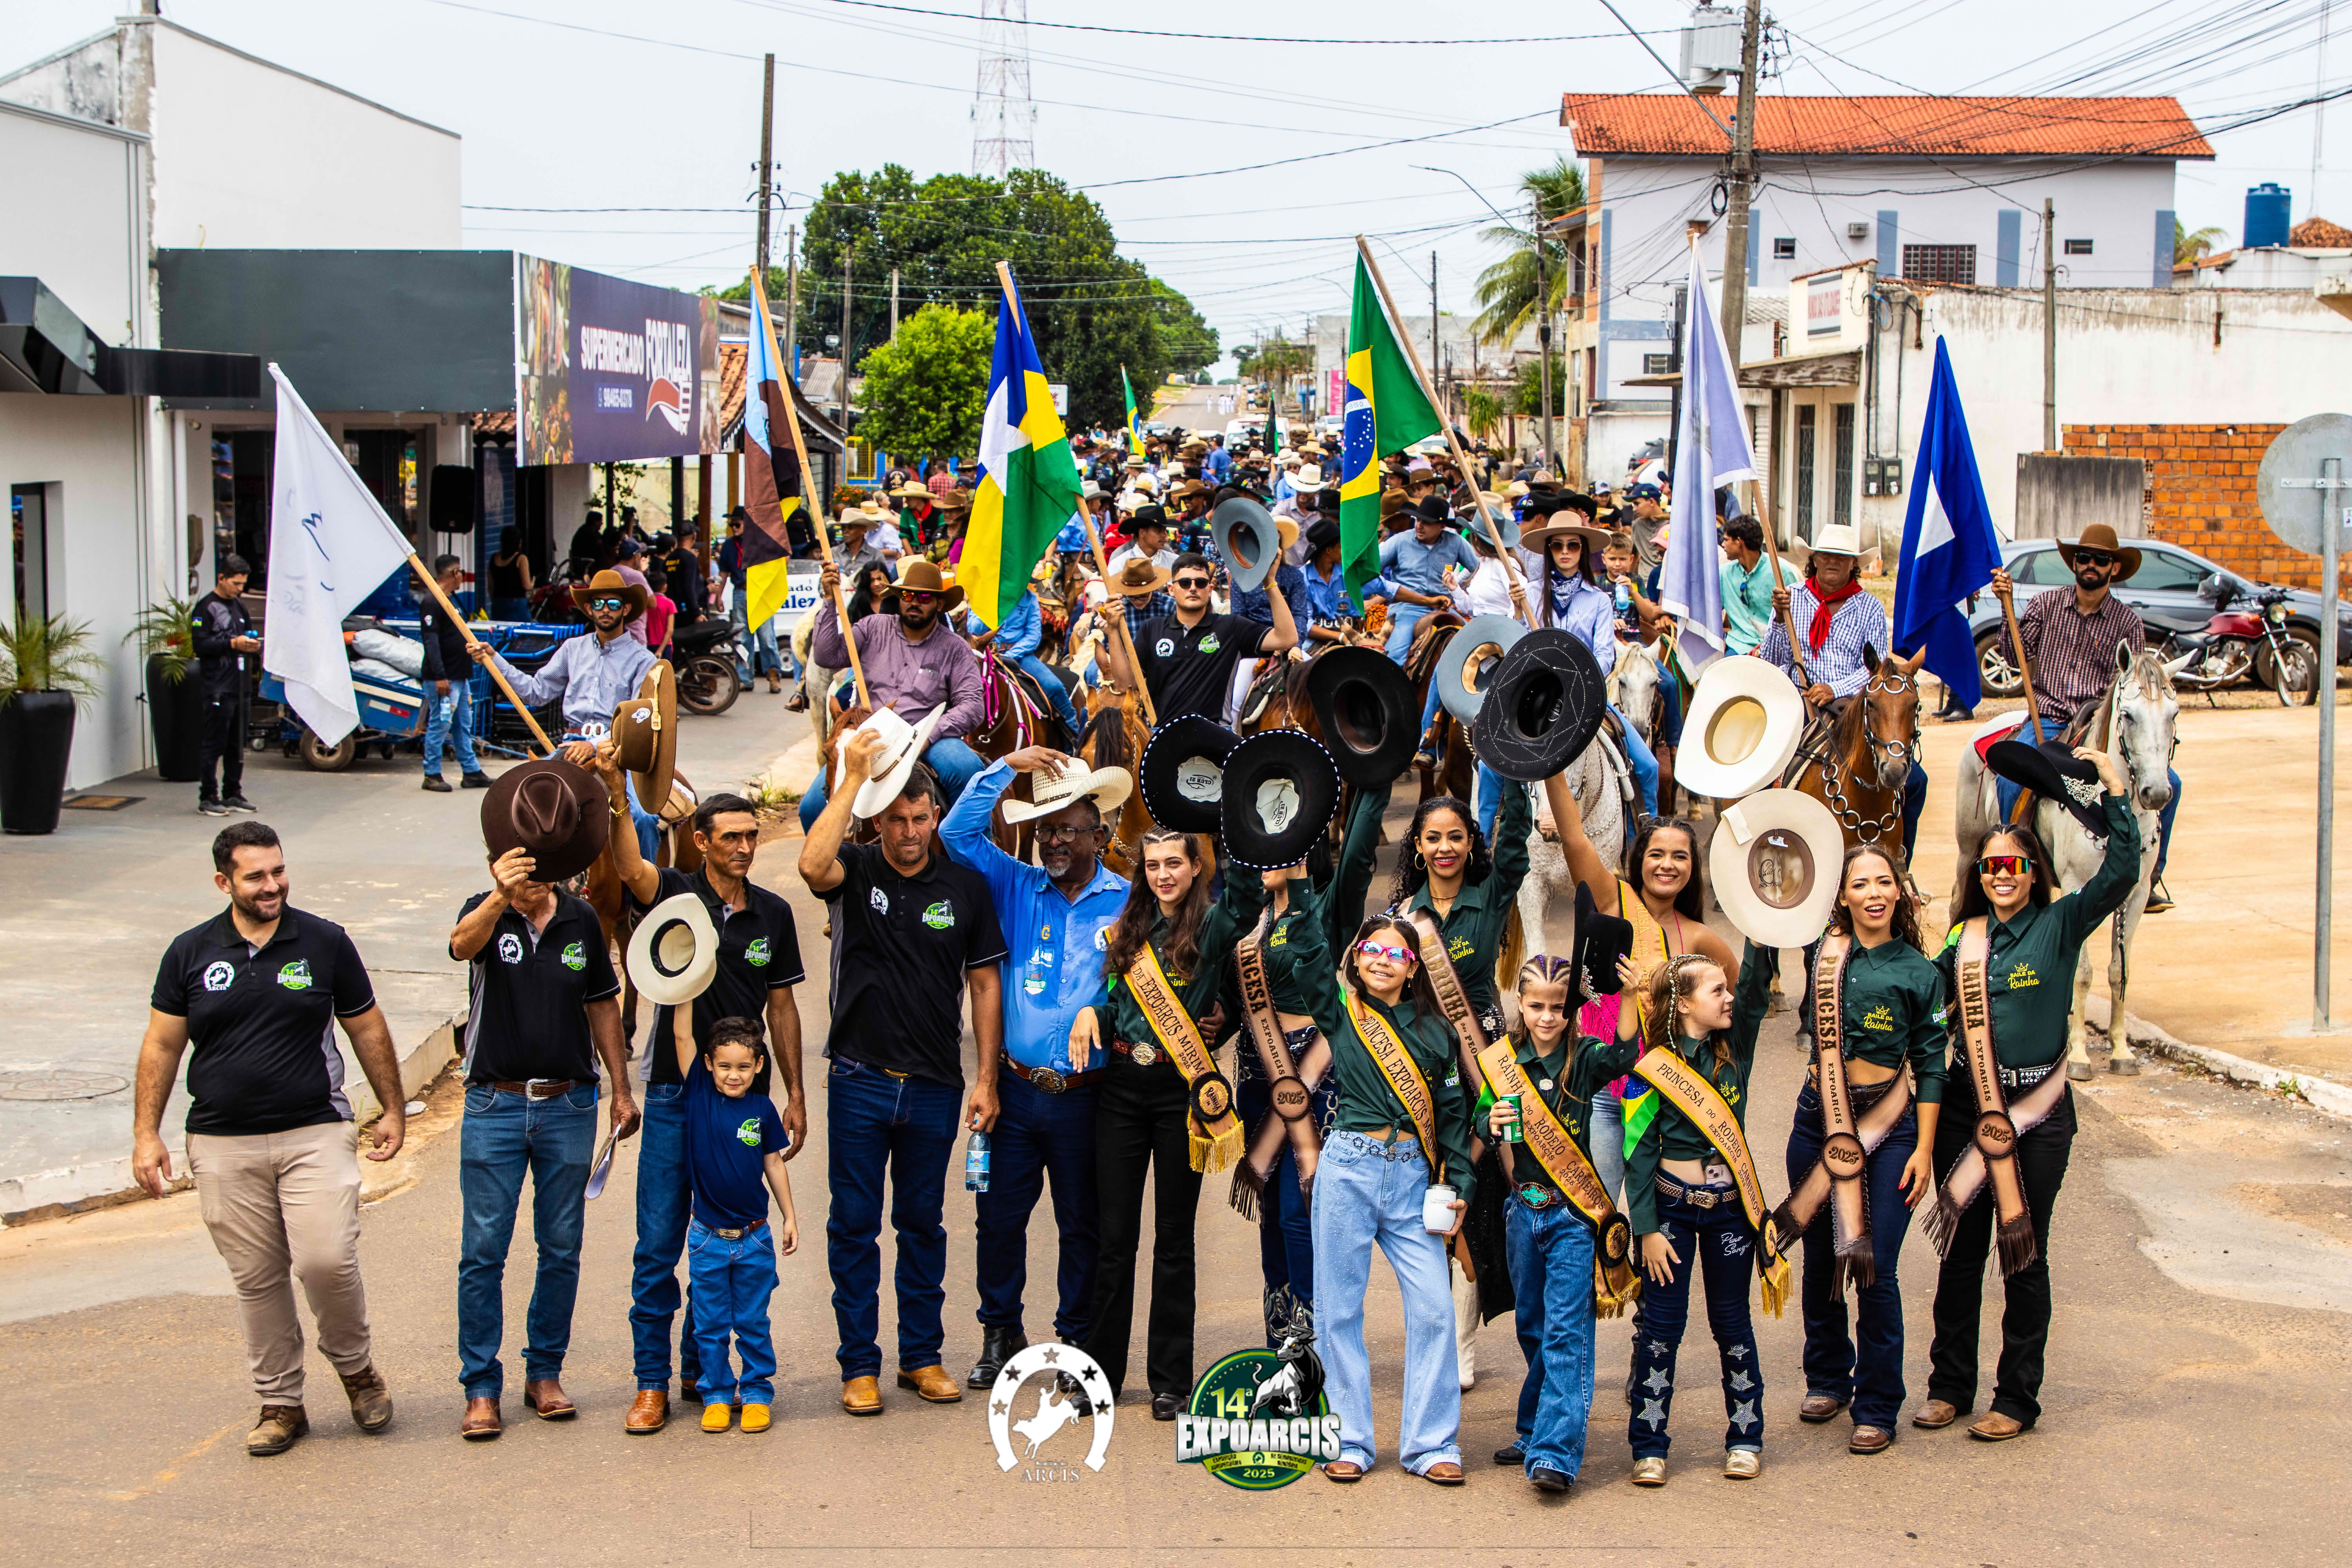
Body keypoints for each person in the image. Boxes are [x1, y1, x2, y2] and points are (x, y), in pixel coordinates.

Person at [133, 822, 404, 1456]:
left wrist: (393, 1107)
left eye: (278, 871)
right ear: (223, 882)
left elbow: (366, 1027)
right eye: (255, 876)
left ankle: (357, 1370)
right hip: (222, 1142)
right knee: (257, 1278)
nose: (272, 885)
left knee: (326, 1260)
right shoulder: (190, 953)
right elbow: (162, 1045)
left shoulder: (324, 942)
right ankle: (281, 1403)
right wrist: (146, 1134)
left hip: (314, 1130)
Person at [1919, 751, 2139, 1442]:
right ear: (1979, 876)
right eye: (1991, 867)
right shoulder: (1963, 939)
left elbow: (2122, 871)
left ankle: (2016, 1397)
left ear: (2035, 871)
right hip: (1968, 1108)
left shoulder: (2063, 923)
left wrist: (2117, 791)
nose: (2002, 875)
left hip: (2039, 1114)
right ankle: (1949, 1386)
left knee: (2024, 1251)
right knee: (1961, 1253)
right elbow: (1922, 998)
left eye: (2015, 865)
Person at [798, 730, 1007, 1416]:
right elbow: (811, 864)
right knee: (854, 1227)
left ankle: (921, 1356)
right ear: (878, 821)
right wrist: (853, 779)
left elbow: (984, 985)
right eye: (897, 820)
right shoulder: (856, 871)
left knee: (923, 1225)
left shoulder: (967, 888)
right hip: (859, 1079)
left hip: (935, 1085)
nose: (911, 833)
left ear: (934, 817)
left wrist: (987, 1079)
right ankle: (859, 1365)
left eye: (920, 819)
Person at [595, 768, 808, 1434]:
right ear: (701, 841)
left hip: (743, 1107)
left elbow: (783, 1007)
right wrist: (616, 795)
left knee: (726, 1238)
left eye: (751, 837)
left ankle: (700, 1367)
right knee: (659, 1246)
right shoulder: (674, 893)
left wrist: (796, 1092)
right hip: (673, 1096)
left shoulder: (773, 914)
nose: (744, 848)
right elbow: (629, 867)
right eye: (731, 837)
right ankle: (651, 1384)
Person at [941, 748, 1129, 1386]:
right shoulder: (1015, 884)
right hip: (1015, 1091)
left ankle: (1076, 1340)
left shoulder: (1127, 902)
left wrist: (1102, 1014)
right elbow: (956, 834)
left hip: (1089, 1097)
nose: (1053, 841)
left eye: (1067, 830)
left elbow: (1144, 992)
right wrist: (1005, 767)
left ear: (1099, 836)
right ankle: (1000, 1332)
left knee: (1082, 1225)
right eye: (1046, 829)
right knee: (996, 1218)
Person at [446, 838, 639, 1439]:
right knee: (484, 1251)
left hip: (569, 1105)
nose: (533, 879)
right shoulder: (483, 912)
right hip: (493, 1103)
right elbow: (461, 946)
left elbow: (602, 1004)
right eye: (519, 868)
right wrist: (499, 897)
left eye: (540, 868)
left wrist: (622, 1091)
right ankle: (481, 1387)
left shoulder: (580, 920)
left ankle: (545, 1373)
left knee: (560, 1247)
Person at [1067, 828, 1265, 1417]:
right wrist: (1091, 1011)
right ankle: (1100, 1376)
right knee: (1115, 1240)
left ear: (1197, 866)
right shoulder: (1129, 927)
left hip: (1182, 1093)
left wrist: (1232, 818)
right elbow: (1116, 1002)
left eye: (1174, 863)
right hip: (1122, 1089)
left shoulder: (1214, 925)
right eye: (1153, 865)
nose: (1163, 875)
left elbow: (1246, 903)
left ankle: (1171, 1381)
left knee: (1175, 1240)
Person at [1292, 915, 1477, 1484]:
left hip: (1413, 1180)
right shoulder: (1341, 1012)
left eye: (1396, 954)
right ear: (1356, 957)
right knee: (1339, 1309)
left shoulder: (1437, 1032)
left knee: (1435, 1308)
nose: (1382, 960)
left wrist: (1461, 1185)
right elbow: (1307, 949)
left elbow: (1453, 1117)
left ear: (1413, 968)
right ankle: (1348, 1439)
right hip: (1348, 1169)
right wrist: (1299, 881)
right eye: (1372, 949)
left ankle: (1431, 1444)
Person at [1780, 846, 1945, 1455]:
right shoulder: (1825, 956)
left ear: (1900, 893)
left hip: (1889, 1127)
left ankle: (1877, 1404)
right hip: (1818, 1121)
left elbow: (1932, 1065)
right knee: (1821, 1258)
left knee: (1876, 1266)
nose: (1873, 893)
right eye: (1860, 884)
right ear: (1843, 896)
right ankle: (1827, 1378)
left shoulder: (1920, 972)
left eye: (1884, 882)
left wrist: (1924, 1149)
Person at [1474, 954, 1642, 1492]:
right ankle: (1534, 1429)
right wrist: (1491, 1120)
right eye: (1537, 1005)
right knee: (1533, 1326)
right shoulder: (1503, 1062)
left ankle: (1555, 1454)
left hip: (1573, 1215)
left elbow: (1625, 1056)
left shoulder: (1585, 1057)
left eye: (1557, 1007)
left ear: (1571, 1010)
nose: (1547, 1017)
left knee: (1567, 1332)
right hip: (1522, 1212)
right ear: (1521, 1005)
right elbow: (1480, 1117)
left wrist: (1629, 998)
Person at [1230, 787, 1388, 1340]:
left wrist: (1376, 776)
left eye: (1280, 849)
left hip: (1313, 1074)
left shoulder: (1328, 903)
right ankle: (1280, 1332)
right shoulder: (1248, 914)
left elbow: (1361, 847)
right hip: (1256, 1073)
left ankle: (1313, 1334)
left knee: (1303, 1203)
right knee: (1272, 1210)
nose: (1265, 860)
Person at [1622, 945, 1781, 1485]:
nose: (1729, 997)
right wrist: (1646, 1229)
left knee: (1733, 1324)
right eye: (1717, 991)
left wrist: (1764, 927)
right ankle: (1649, 1445)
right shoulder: (1651, 1068)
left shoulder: (1736, 1048)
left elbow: (1756, 989)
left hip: (1730, 1213)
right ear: (1686, 1004)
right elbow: (1639, 1153)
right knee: (1662, 1329)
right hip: (1670, 1211)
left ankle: (1745, 1436)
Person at [1542, 778, 1740, 1209]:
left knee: (1660, 1217)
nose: (1667, 865)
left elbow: (1733, 1002)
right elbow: (1574, 839)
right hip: (1604, 1091)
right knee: (1595, 1210)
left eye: (1680, 856)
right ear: (1639, 860)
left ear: (1693, 868)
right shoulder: (1614, 900)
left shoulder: (1700, 938)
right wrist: (1551, 767)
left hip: (1666, 1097)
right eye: (1657, 854)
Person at [1990, 525, 2182, 908]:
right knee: (2011, 779)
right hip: (2049, 719)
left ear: (2114, 568)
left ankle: (2150, 874)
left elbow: (2135, 686)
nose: (2091, 564)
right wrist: (2005, 607)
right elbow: (2013, 656)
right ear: (2074, 563)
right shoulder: (2045, 605)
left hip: (2099, 724)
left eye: (2101, 559)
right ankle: (2013, 862)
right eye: (2084, 557)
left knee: (2171, 783)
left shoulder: (2128, 622)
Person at [1757, 526, 1930, 863]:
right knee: (1763, 770)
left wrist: (1834, 688)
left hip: (1852, 705)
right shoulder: (1790, 598)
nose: (1833, 562)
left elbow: (1878, 671)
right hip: (1798, 702)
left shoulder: (1870, 607)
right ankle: (1764, 851)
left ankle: (1899, 861)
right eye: (1827, 556)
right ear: (1815, 560)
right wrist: (1779, 618)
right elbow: (1772, 660)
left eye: (1842, 557)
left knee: (1916, 781)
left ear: (1854, 565)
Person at [463, 572, 662, 859]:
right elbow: (536, 692)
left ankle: (648, 886)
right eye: (599, 604)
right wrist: (494, 658)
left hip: (619, 752)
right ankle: (521, 885)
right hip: (570, 746)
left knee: (643, 818)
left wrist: (593, 745)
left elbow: (637, 719)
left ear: (626, 609)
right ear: (589, 609)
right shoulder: (572, 649)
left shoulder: (643, 659)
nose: (605, 610)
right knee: (511, 804)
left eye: (614, 604)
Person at [668, 1014, 800, 1434]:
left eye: (744, 1066)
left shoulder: (762, 1109)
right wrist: (684, 984)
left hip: (755, 1239)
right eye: (724, 1066)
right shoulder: (699, 1096)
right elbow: (682, 1034)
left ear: (758, 1065)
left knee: (752, 1323)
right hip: (707, 1239)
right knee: (710, 1326)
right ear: (709, 1064)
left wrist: (789, 1217)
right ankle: (718, 1396)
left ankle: (757, 1394)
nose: (733, 1075)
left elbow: (773, 1163)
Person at [799, 557, 989, 828]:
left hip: (926, 736)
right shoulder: (872, 627)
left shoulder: (955, 648)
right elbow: (827, 656)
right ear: (900, 598)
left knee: (966, 769)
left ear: (940, 604)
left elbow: (972, 705)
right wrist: (830, 600)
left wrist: (928, 735)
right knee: (811, 809)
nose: (915, 602)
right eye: (908, 595)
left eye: (925, 597)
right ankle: (832, 856)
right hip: (868, 734)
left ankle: (976, 846)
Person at [1095, 551, 1298, 728]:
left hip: (1214, 734)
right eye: (1185, 583)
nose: (1193, 588)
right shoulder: (1151, 628)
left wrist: (1270, 583)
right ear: (1172, 589)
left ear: (1210, 590)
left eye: (1200, 583)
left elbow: (1286, 638)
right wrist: (1113, 629)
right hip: (1163, 734)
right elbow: (1125, 684)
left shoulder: (1231, 627)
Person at [967, 577, 1085, 742]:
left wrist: (1009, 656)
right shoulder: (981, 597)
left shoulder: (1030, 598)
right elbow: (973, 628)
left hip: (1020, 656)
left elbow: (1033, 636)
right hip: (984, 654)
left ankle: (1073, 739)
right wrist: (993, 606)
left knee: (1055, 687)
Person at [415, 555, 489, 794]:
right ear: (455, 573)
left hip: (459, 675)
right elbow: (431, 641)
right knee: (440, 724)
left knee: (462, 724)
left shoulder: (450, 601)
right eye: (461, 573)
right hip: (445, 678)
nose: (462, 578)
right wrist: (440, 676)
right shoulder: (432, 602)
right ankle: (432, 774)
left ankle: (471, 771)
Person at [1374, 497, 1481, 662]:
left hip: (1444, 608)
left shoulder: (1456, 543)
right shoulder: (1400, 541)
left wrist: (1464, 595)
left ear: (1442, 526)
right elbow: (1372, 568)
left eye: (1427, 522)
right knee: (1396, 656)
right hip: (1407, 606)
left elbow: (1479, 570)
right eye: (1418, 520)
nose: (1419, 526)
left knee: (1476, 646)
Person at [193, 555, 260, 817]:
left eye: (243, 584)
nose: (239, 589)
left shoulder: (239, 607)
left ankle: (233, 792)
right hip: (217, 686)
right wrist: (232, 644)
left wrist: (252, 646)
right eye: (235, 583)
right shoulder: (205, 608)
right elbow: (200, 645)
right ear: (221, 578)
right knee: (214, 743)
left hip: (240, 686)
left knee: (237, 744)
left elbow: (247, 637)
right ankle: (208, 796)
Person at [1718, 515, 1798, 657]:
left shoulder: (1781, 572)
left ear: (1739, 542)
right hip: (1739, 646)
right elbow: (1712, 608)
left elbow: (1797, 614)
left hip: (1775, 647)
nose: (1723, 545)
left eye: (1726, 540)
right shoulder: (1724, 573)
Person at [613, 538, 655, 646]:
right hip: (634, 636)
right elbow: (653, 603)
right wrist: (640, 571)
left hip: (613, 636)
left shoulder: (611, 572)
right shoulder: (635, 575)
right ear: (635, 557)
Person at [488, 526, 535, 622]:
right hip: (517, 605)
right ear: (519, 542)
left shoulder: (494, 558)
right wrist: (532, 583)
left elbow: (490, 586)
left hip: (498, 603)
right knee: (522, 631)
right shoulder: (521, 559)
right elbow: (527, 586)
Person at [1622, 483, 1669, 575]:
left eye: (1637, 504)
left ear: (1651, 502)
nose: (1634, 509)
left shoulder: (1672, 524)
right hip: (1644, 580)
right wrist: (1629, 577)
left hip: (1666, 578)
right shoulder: (1637, 525)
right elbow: (1634, 556)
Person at [642, 566, 679, 658]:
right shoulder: (669, 603)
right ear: (665, 587)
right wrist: (660, 651)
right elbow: (670, 630)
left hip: (648, 646)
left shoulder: (645, 603)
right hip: (665, 647)